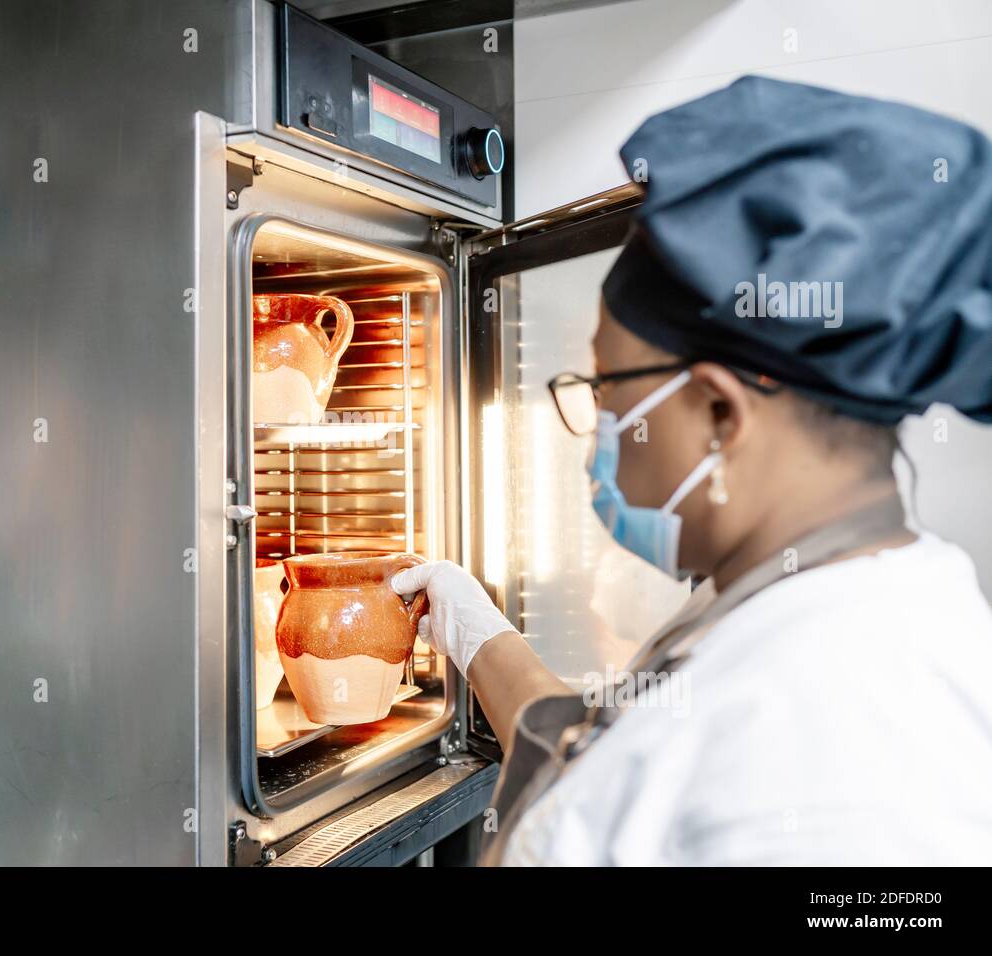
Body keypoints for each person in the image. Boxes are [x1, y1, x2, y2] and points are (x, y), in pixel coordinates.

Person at [392, 76, 992, 865]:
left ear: (718, 413)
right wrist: (477, 635)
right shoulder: (795, 601)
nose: (595, 431)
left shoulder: (840, 745)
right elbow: (605, 766)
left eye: (606, 389)